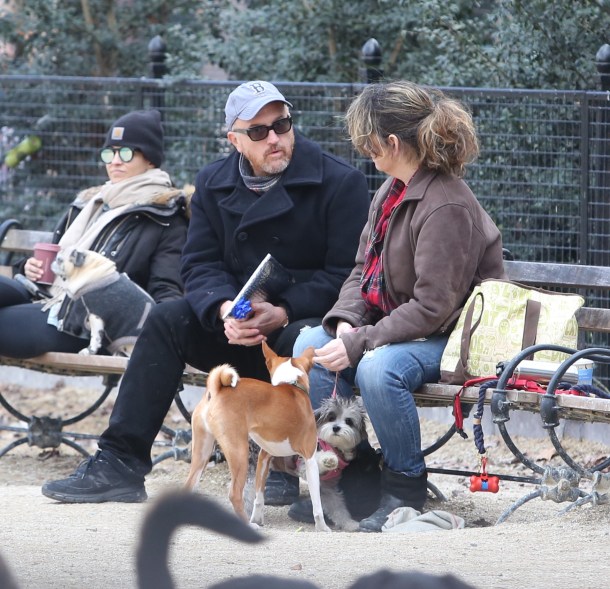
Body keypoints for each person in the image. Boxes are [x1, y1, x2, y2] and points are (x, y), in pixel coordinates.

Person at [41, 80, 370, 504]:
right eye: (258, 131)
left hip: (297, 328)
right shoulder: (213, 181)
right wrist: (223, 309)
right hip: (234, 327)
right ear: (233, 139)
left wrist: (284, 310)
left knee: (299, 340)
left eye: (282, 124)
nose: (274, 138)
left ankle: (277, 467)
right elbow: (198, 264)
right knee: (166, 319)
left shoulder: (338, 181)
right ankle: (119, 463)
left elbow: (347, 275)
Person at [292, 80, 506, 532]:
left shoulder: (445, 203)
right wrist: (348, 321)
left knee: (377, 369)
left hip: (453, 336)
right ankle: (350, 468)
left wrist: (363, 341)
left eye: (368, 141)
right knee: (310, 341)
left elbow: (434, 306)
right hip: (404, 325)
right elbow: (359, 271)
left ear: (391, 142)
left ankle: (404, 487)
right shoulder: (390, 190)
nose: (363, 149)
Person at [0, 109, 189, 358]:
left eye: (126, 153)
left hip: (87, 320)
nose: (115, 161)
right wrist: (29, 267)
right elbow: (56, 260)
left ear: (150, 159)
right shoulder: (89, 203)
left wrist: (162, 342)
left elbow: (166, 289)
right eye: (109, 152)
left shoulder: (164, 215)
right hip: (43, 294)